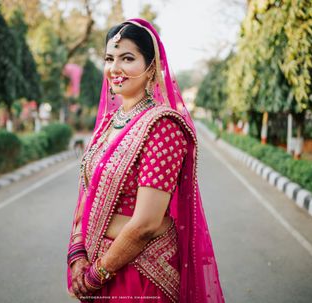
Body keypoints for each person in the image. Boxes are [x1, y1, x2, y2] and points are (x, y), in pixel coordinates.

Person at [66, 18, 225, 303]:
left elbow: (146, 223)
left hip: (140, 271)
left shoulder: (163, 126)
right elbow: (87, 192)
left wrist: (95, 275)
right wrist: (78, 254)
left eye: (127, 58)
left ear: (151, 67)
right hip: (98, 263)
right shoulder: (109, 124)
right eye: (109, 58)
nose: (115, 68)